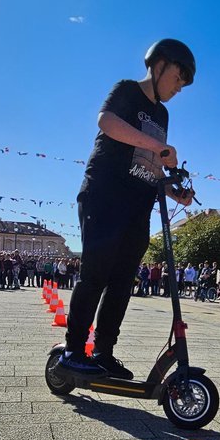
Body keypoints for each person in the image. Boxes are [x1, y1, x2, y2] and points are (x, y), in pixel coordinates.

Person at [60, 38, 196, 379]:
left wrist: (173, 188)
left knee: (122, 283)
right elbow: (106, 122)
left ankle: (104, 352)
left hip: (139, 206)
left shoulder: (163, 114)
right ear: (160, 64)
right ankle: (73, 351)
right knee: (96, 274)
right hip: (105, 195)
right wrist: (159, 145)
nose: (180, 87)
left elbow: (152, 162)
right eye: (179, 77)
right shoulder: (127, 90)